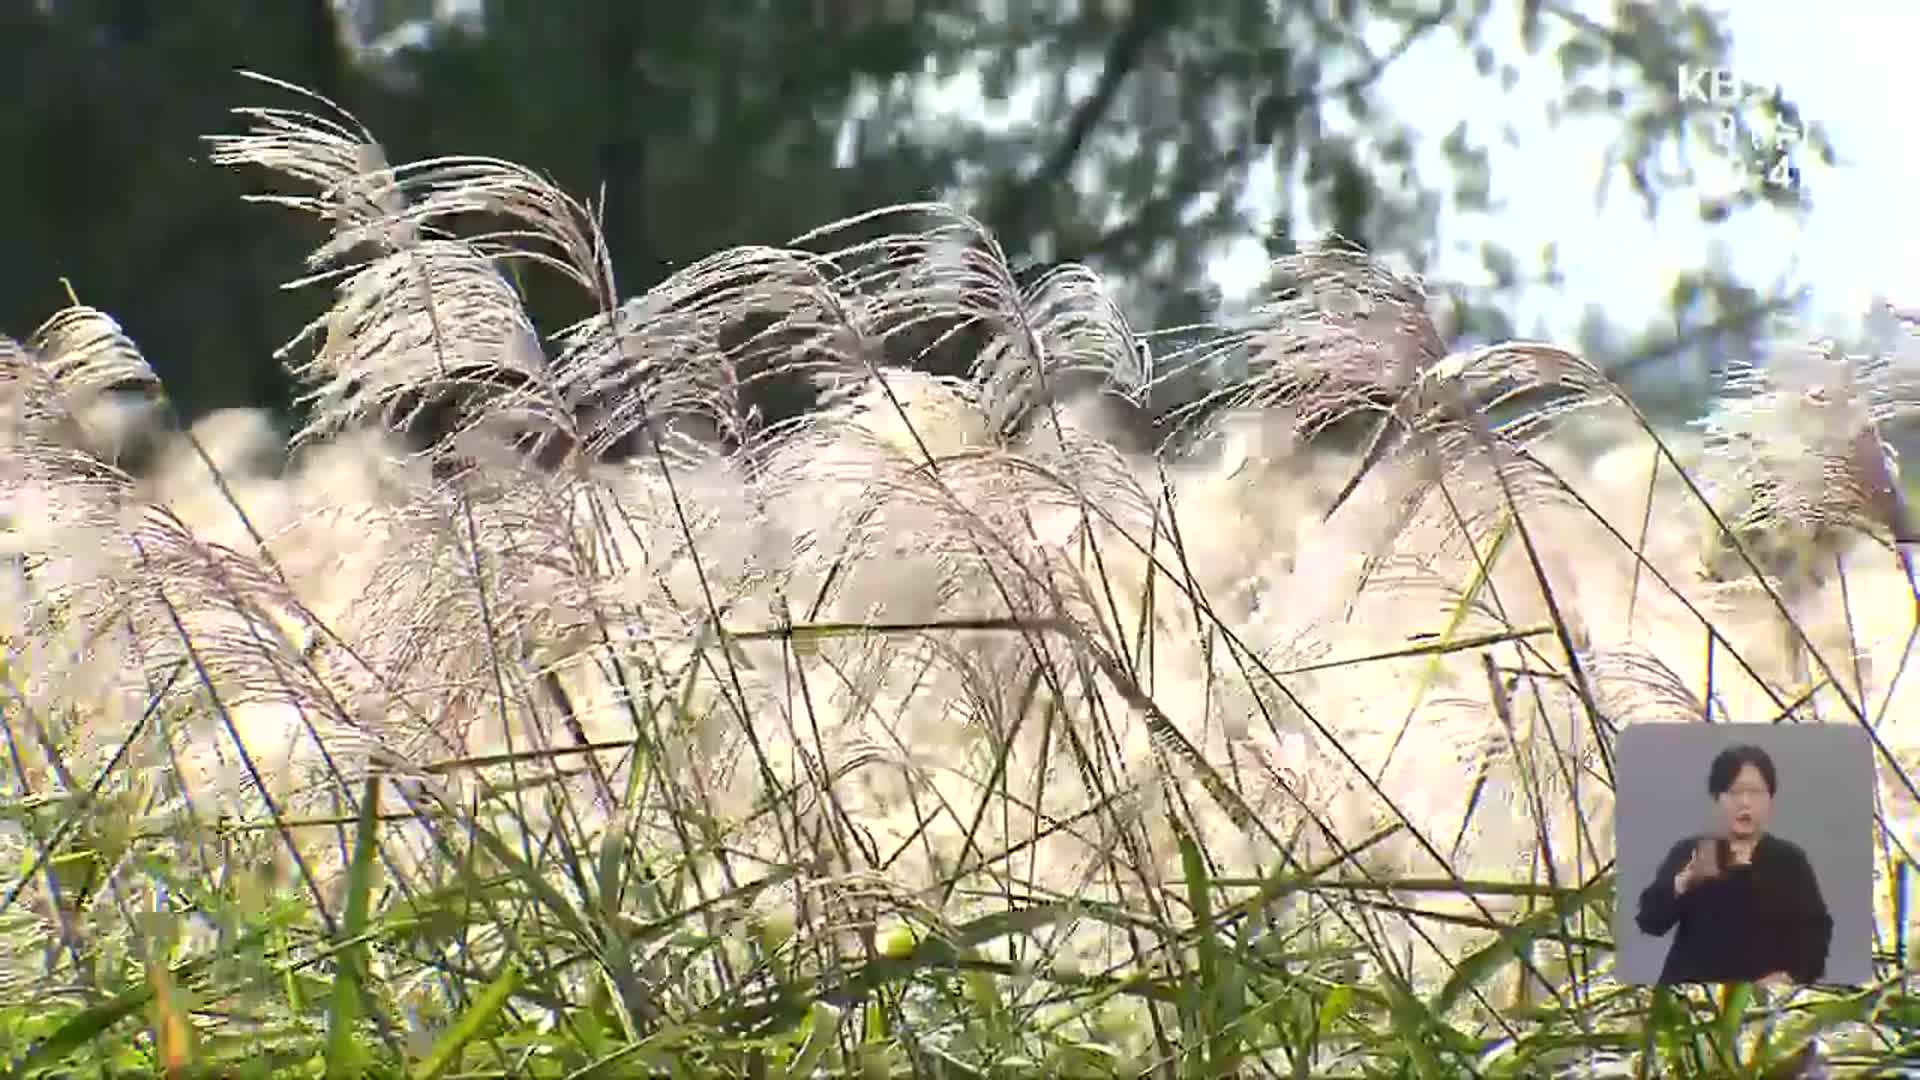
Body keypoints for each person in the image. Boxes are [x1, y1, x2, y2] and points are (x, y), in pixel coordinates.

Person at [1634, 743, 1833, 986]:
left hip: (1758, 1003)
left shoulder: (1789, 860)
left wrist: (1790, 976)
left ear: (1770, 799)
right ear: (1717, 798)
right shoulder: (1692, 852)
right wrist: (1683, 881)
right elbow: (1650, 921)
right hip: (1693, 998)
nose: (1745, 803)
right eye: (1734, 792)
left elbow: (1816, 934)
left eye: (1756, 792)